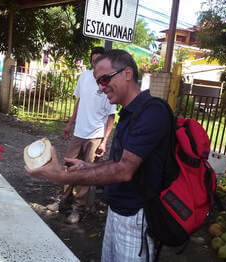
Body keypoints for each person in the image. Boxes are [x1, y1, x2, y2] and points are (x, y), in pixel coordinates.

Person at [25, 49, 172, 261]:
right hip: (118, 212)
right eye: (98, 83)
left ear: (127, 73)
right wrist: (89, 167)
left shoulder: (152, 112)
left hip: (136, 217)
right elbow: (120, 163)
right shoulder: (130, 113)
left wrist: (63, 176)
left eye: (104, 80)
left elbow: (123, 171)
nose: (101, 88)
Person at [48, 46, 117, 225]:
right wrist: (70, 123)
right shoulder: (84, 77)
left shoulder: (108, 83)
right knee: (68, 167)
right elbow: (79, 102)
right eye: (93, 60)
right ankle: (62, 201)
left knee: (86, 173)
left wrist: (104, 141)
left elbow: (111, 115)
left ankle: (78, 209)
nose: (96, 64)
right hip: (79, 132)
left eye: (99, 60)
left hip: (95, 136)